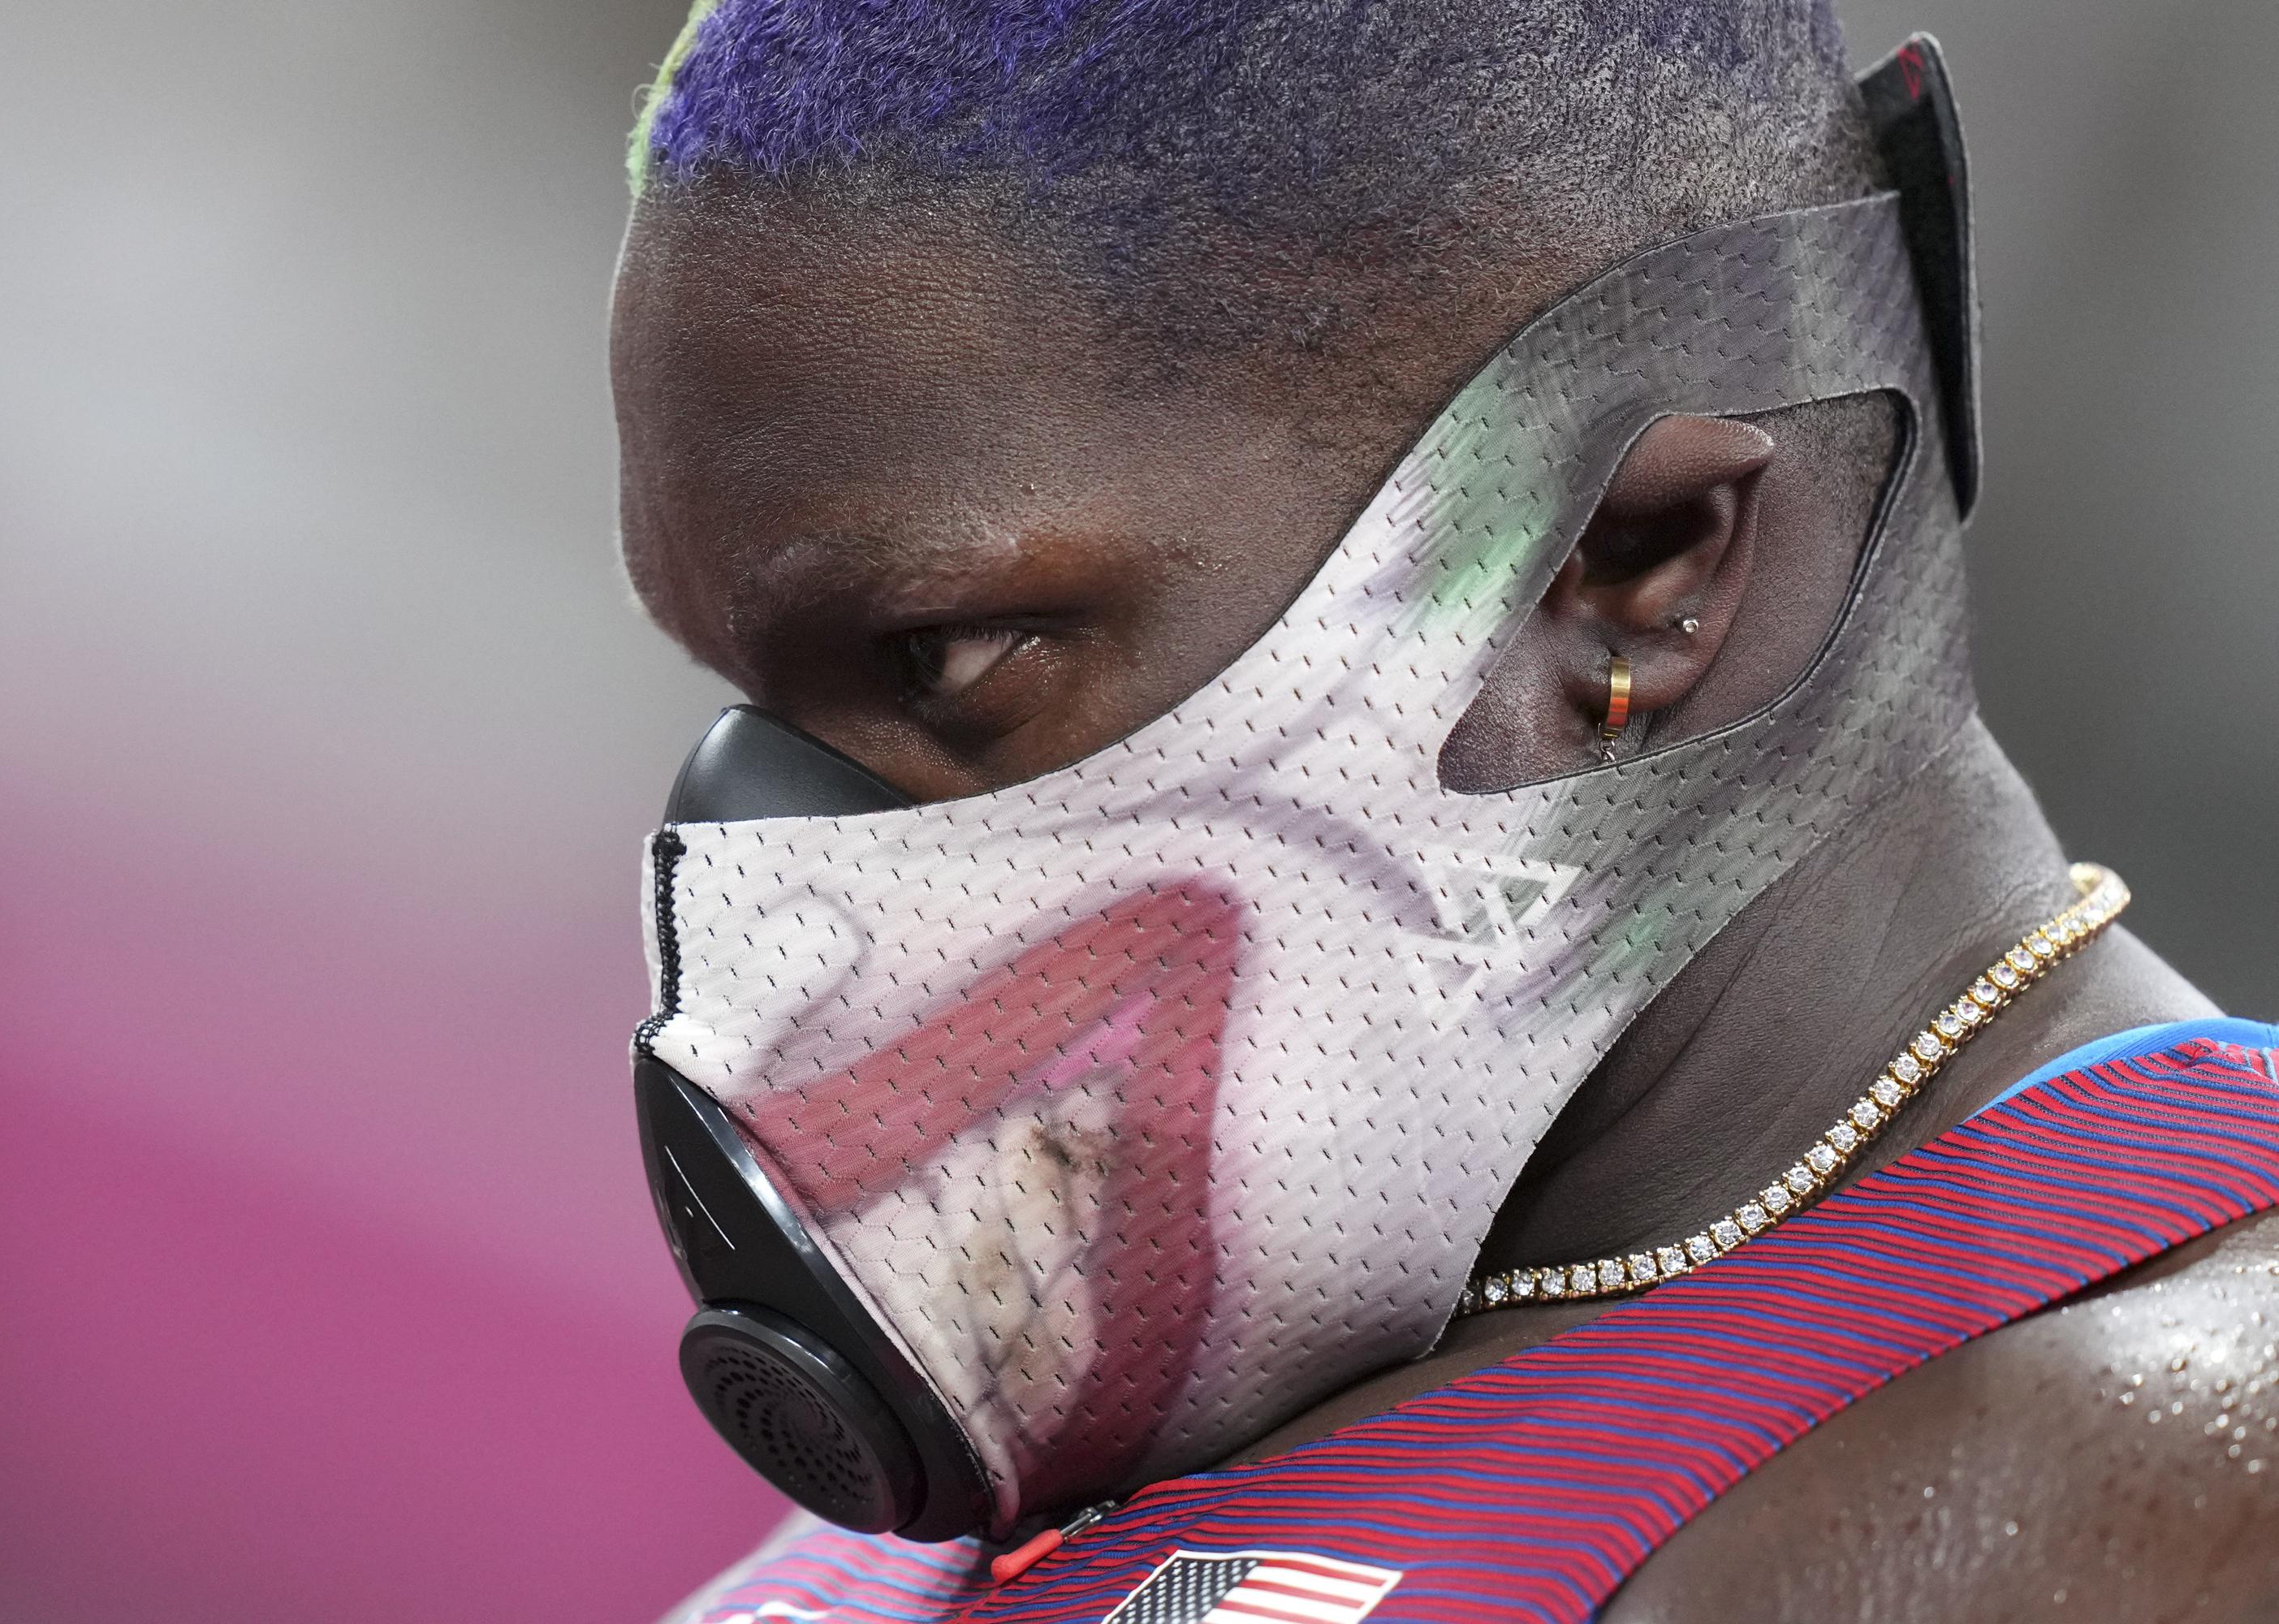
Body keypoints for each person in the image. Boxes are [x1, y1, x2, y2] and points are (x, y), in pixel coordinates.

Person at [609, 2, 2279, 1618]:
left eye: (944, 657)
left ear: (1630, 570)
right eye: (748, 706)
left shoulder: (2156, 1481)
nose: (776, 892)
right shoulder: (1060, 1472)